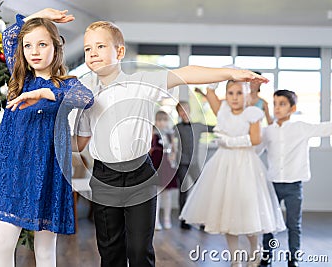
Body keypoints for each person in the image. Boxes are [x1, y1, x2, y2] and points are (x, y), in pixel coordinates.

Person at [73, 20, 268, 267]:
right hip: (104, 177)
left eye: (100, 46)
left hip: (139, 176)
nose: (92, 54)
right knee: (110, 251)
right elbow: (79, 143)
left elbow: (186, 73)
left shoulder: (142, 81)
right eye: (88, 49)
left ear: (119, 52)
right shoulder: (83, 92)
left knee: (139, 248)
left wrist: (229, 73)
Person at [0, 8, 93, 267]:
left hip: (48, 175)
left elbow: (87, 99)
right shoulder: (19, 78)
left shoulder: (66, 85)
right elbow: (9, 35)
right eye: (28, 45)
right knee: (2, 245)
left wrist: (44, 93)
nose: (34, 51)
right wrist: (40, 14)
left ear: (56, 48)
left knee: (45, 252)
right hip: (13, 174)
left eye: (42, 44)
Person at [179, 81, 286, 267]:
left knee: (248, 209)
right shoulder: (221, 110)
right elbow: (210, 90)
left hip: (245, 165)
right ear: (226, 95)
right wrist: (230, 71)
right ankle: (235, 259)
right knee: (227, 212)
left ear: (247, 94)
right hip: (224, 165)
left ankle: (255, 252)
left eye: (239, 93)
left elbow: (255, 139)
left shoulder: (252, 113)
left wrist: (229, 141)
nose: (234, 97)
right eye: (230, 93)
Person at [258, 90, 332, 267]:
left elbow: (325, 128)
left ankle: (293, 259)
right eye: (275, 103)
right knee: (269, 225)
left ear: (293, 108)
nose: (277, 108)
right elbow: (254, 149)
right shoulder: (267, 131)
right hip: (273, 184)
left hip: (294, 186)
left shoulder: (301, 128)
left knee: (294, 225)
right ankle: (266, 258)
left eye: (282, 104)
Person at [174, 101, 214, 230]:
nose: (184, 112)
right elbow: (167, 139)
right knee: (183, 192)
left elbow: (213, 128)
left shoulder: (197, 126)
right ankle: (183, 219)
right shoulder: (177, 128)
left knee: (201, 189)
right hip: (182, 164)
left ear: (189, 110)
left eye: (185, 109)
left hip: (194, 163)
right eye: (181, 111)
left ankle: (203, 220)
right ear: (178, 113)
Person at [150, 110, 178, 231]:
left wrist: (173, 155)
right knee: (157, 194)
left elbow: (174, 149)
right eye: (159, 120)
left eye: (164, 120)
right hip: (156, 164)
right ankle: (155, 221)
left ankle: (167, 219)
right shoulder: (152, 133)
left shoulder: (170, 134)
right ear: (156, 121)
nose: (162, 123)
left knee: (168, 195)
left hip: (167, 165)